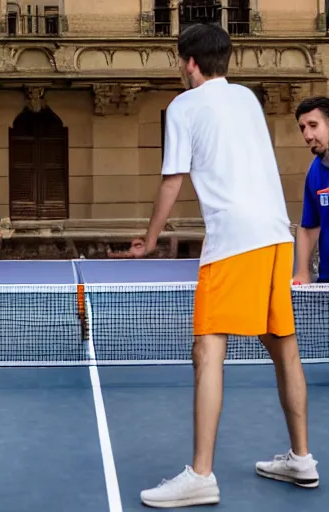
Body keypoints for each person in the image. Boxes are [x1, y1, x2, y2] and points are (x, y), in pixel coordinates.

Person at [127, 24, 319, 509]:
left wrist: (150, 239)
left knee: (208, 349)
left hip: (234, 241)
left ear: (189, 62)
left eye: (179, 61)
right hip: (277, 234)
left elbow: (173, 179)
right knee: (285, 350)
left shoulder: (184, 107)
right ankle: (302, 458)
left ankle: (201, 475)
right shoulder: (248, 99)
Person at [292, 96, 329, 284]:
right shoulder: (314, 172)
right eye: (303, 128)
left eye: (313, 125)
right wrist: (302, 272)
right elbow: (309, 227)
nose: (307, 135)